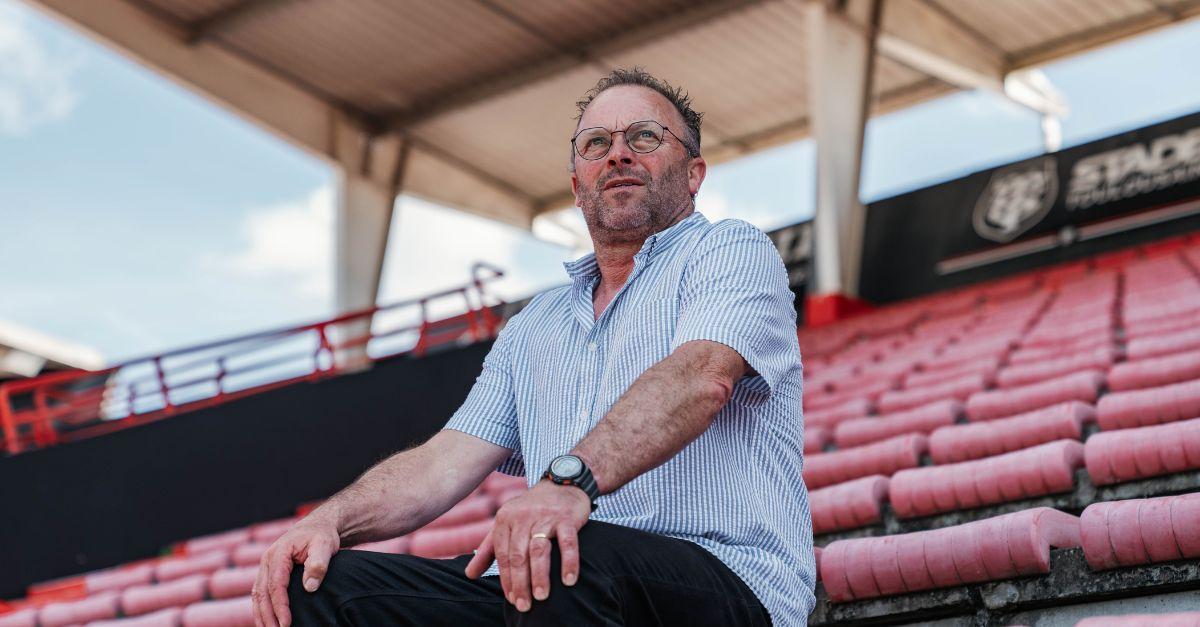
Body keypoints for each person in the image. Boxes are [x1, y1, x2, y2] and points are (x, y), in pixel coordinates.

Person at [253, 68, 814, 627]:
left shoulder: (729, 249)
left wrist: (569, 482)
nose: (617, 154)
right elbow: (441, 463)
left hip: (725, 579)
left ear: (694, 174)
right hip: (556, 584)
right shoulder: (535, 325)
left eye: (643, 137)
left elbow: (701, 377)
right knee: (320, 588)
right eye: (596, 144)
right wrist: (328, 522)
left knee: (560, 553)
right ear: (576, 185)